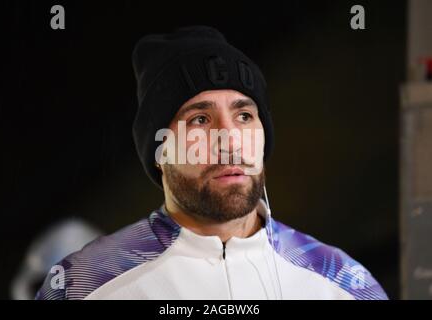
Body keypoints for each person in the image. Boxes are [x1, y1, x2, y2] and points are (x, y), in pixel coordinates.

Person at [36, 26, 388, 300]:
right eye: (200, 120)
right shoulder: (83, 284)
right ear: (159, 150)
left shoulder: (343, 283)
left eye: (245, 116)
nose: (230, 140)